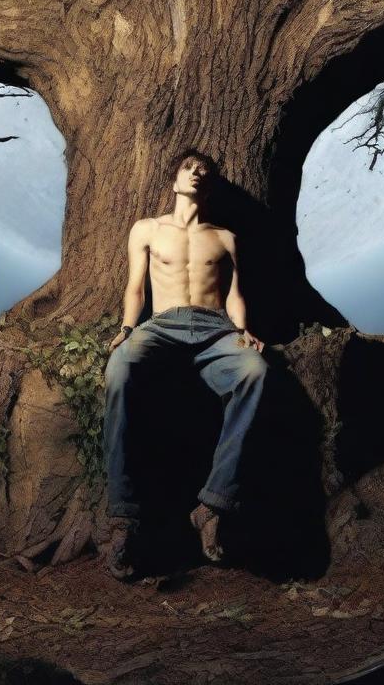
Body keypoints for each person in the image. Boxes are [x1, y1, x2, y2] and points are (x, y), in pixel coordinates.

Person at [102, 149, 268, 580]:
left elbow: (235, 293)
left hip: (215, 329)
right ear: (174, 179)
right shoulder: (147, 229)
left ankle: (212, 505)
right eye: (188, 168)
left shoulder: (225, 237)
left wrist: (243, 329)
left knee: (254, 372)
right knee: (119, 369)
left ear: (208, 187)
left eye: (204, 172)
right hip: (163, 325)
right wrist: (126, 327)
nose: (197, 175)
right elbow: (135, 287)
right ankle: (123, 518)